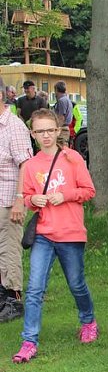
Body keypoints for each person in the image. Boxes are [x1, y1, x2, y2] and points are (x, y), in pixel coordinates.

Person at [12, 109, 97, 363]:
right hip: (43, 234)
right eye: (40, 131)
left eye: (50, 130)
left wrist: (66, 195)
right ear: (32, 134)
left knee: (76, 283)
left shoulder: (72, 158)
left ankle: (88, 321)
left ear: (59, 131)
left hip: (70, 233)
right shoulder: (30, 165)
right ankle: (29, 341)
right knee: (34, 288)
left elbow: (88, 190)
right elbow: (27, 196)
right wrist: (32, 199)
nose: (46, 135)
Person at [0, 76, 32, 323]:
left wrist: (21, 199)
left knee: (9, 248)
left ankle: (14, 299)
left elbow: (26, 165)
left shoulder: (14, 126)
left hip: (9, 199)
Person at [53, 81, 74, 146]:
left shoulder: (62, 101)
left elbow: (61, 117)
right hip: (64, 128)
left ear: (56, 89)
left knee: (60, 149)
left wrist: (56, 129)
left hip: (62, 129)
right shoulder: (67, 99)